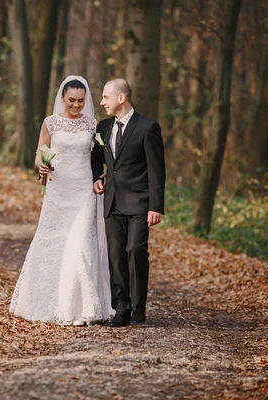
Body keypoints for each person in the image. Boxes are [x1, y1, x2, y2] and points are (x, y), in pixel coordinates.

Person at [9, 75, 113, 326]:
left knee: (80, 244)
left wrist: (104, 174)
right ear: (62, 98)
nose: (76, 105)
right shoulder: (51, 123)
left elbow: (99, 156)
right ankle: (50, 303)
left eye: (80, 101)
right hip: (58, 190)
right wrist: (42, 166)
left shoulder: (92, 125)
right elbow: (41, 152)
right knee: (52, 243)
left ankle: (84, 307)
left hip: (83, 191)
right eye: (71, 101)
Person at [91, 79, 166, 327]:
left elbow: (157, 170)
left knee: (135, 250)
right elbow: (95, 157)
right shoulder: (102, 127)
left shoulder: (148, 128)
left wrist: (156, 206)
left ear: (121, 98)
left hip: (139, 202)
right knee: (115, 256)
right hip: (111, 201)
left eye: (105, 97)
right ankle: (121, 308)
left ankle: (138, 306)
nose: (102, 102)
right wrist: (96, 177)